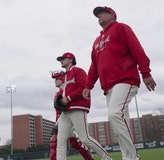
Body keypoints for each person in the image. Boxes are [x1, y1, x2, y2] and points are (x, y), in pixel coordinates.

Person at [82, 6, 157, 160]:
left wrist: (146, 72)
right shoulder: (96, 41)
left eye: (102, 13)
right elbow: (94, 67)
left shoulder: (121, 28)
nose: (99, 16)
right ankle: (127, 157)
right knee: (120, 123)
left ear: (112, 15)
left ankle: (133, 157)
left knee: (114, 115)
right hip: (108, 86)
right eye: (97, 15)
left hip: (125, 79)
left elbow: (137, 49)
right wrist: (88, 86)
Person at [55, 52, 112, 160]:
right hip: (66, 111)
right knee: (60, 141)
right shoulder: (64, 76)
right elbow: (65, 93)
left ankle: (106, 157)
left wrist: (69, 98)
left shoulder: (78, 71)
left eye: (63, 59)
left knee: (84, 138)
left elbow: (84, 87)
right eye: (60, 59)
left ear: (70, 60)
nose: (61, 61)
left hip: (77, 107)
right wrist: (61, 99)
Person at [49, 71, 93, 160]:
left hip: (73, 118)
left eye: (58, 79)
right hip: (63, 121)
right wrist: (56, 124)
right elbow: (58, 113)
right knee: (72, 142)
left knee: (60, 141)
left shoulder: (67, 91)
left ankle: (90, 157)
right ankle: (89, 157)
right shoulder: (58, 94)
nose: (55, 81)